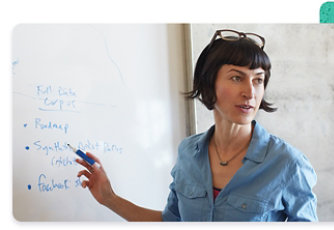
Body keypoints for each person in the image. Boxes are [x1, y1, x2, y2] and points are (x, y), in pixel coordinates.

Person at [76, 29, 318, 221]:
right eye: (236, 77)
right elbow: (170, 222)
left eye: (258, 80)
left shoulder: (288, 163)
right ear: (208, 83)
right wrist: (109, 198)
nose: (250, 92)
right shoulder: (188, 153)